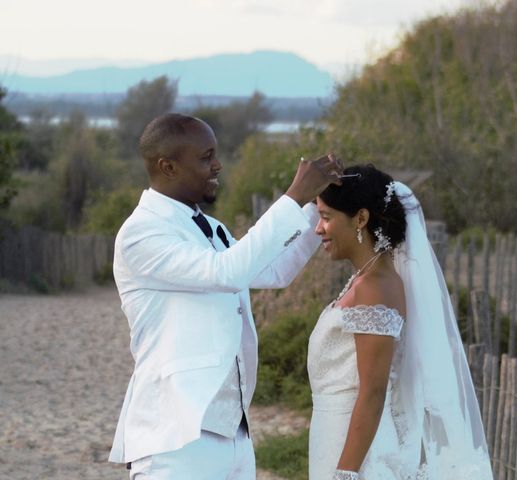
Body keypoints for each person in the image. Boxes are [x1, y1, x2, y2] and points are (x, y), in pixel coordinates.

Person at [108, 112, 342, 479]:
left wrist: (314, 204)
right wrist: (293, 195)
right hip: (177, 439)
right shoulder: (141, 233)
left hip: (234, 433)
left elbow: (273, 270)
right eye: (205, 157)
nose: (217, 165)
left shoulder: (209, 227)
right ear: (167, 166)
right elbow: (227, 273)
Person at [308, 164, 494, 479]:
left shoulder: (374, 288)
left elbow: (373, 391)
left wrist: (346, 473)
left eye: (326, 218)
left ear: (361, 219)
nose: (318, 229)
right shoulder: (364, 280)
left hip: (354, 450)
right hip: (333, 433)